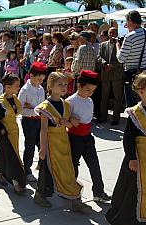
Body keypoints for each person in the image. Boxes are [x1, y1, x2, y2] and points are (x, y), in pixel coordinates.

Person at [105, 73, 146, 225]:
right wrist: (131, 157)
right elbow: (128, 138)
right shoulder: (135, 113)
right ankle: (129, 217)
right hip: (138, 156)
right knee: (133, 187)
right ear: (140, 91)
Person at [34, 72, 90, 212]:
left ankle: (73, 197)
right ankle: (40, 194)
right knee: (46, 169)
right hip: (51, 142)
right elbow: (44, 129)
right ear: (50, 86)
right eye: (60, 84)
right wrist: (43, 148)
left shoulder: (66, 104)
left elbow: (70, 125)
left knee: (68, 170)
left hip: (63, 142)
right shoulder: (45, 107)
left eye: (65, 84)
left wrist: (68, 123)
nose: (64, 87)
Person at [66, 70, 111, 203]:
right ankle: (72, 191)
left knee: (94, 165)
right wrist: (70, 120)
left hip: (87, 137)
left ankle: (98, 192)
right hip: (74, 138)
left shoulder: (90, 101)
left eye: (92, 91)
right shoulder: (70, 101)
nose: (90, 93)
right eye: (87, 90)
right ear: (79, 86)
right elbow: (63, 119)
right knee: (74, 166)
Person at [0, 73, 26, 194]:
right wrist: (0, 129)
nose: (18, 88)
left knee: (6, 155)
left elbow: (17, 112)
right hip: (4, 133)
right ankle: (16, 183)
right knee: (12, 156)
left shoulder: (15, 99)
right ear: (7, 87)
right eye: (16, 85)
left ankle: (0, 173)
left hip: (14, 132)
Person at [116, 10, 146, 107]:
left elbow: (120, 58)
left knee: (132, 107)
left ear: (130, 21)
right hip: (145, 72)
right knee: (145, 103)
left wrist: (118, 47)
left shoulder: (130, 36)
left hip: (132, 74)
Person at [18, 62, 46, 182]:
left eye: (42, 80)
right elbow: (20, 110)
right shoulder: (25, 90)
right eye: (39, 79)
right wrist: (34, 111)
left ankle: (42, 165)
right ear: (31, 76)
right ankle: (27, 169)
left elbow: (43, 104)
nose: (40, 82)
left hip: (40, 121)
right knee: (29, 146)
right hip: (29, 121)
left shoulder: (41, 89)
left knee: (41, 144)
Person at [97, 27, 124, 125]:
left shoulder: (121, 45)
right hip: (105, 73)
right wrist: (105, 64)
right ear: (108, 34)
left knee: (117, 97)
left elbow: (122, 59)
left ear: (117, 33)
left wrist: (112, 65)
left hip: (116, 74)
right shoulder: (103, 45)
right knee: (104, 96)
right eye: (110, 32)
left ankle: (115, 118)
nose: (112, 34)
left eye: (114, 32)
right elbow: (98, 57)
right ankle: (103, 117)